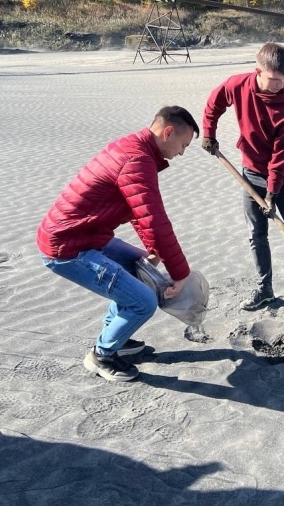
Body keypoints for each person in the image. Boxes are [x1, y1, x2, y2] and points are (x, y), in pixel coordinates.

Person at [37, 106, 199, 382]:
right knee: (144, 302)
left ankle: (118, 339)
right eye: (183, 144)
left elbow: (138, 210)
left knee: (139, 268)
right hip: (67, 247)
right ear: (167, 132)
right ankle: (102, 355)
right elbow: (154, 217)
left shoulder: (136, 149)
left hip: (87, 236)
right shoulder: (136, 159)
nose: (182, 152)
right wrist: (180, 273)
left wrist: (154, 250)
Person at [201, 43, 284, 317]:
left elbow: (281, 158)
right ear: (257, 70)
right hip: (250, 172)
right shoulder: (238, 85)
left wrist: (272, 194)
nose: (277, 86)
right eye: (272, 80)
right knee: (256, 234)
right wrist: (209, 133)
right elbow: (215, 102)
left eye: (282, 80)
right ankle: (265, 289)